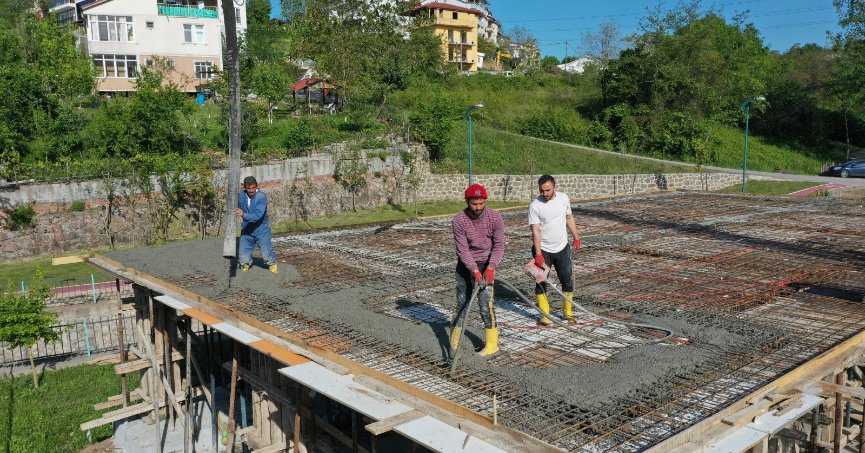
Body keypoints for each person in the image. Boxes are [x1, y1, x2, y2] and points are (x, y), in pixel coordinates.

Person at [450, 183, 505, 357]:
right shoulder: (459, 221)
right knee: (462, 303)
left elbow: (499, 245)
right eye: (474, 204)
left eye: (481, 203)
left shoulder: (495, 218)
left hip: (487, 263)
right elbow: (463, 250)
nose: (478, 207)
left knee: (485, 305)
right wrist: (474, 270)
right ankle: (454, 342)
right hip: (466, 265)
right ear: (467, 201)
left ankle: (492, 344)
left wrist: (490, 268)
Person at [528, 174, 581, 325]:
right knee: (541, 281)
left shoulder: (564, 199)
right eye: (541, 190)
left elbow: (569, 218)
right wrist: (538, 254)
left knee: (566, 279)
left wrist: (576, 237)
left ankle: (568, 312)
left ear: (554, 187)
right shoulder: (535, 206)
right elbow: (536, 230)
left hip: (562, 247)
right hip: (543, 249)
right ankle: (545, 315)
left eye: (547, 190)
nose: (544, 194)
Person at [235, 176, 278, 273]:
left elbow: (257, 215)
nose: (251, 190)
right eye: (248, 188)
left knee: (266, 252)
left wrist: (243, 214)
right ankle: (245, 264)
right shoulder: (240, 196)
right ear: (245, 188)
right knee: (243, 252)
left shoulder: (261, 197)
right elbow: (234, 206)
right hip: (247, 228)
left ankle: (272, 264)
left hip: (261, 228)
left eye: (253, 188)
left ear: (256, 186)